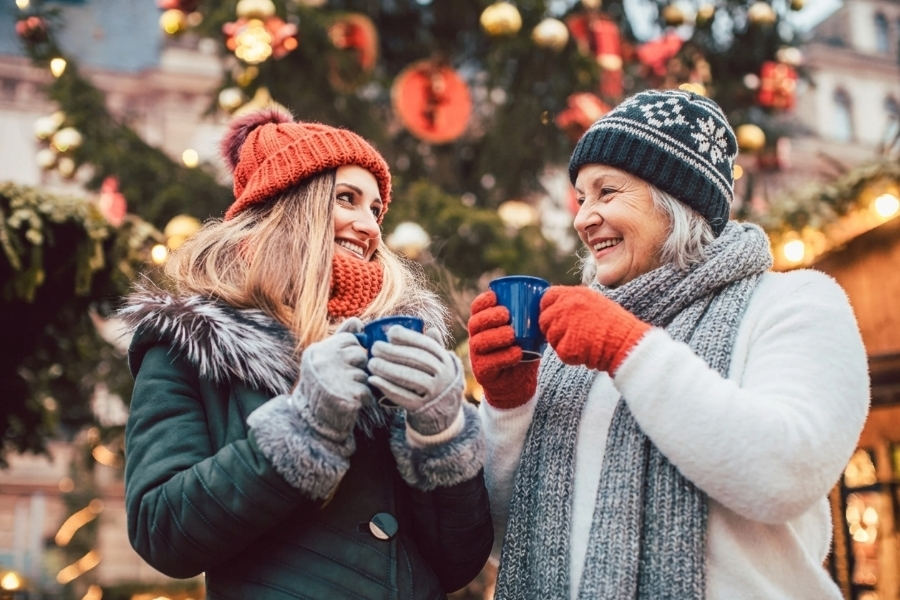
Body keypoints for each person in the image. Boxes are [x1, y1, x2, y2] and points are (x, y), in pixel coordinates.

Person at [467, 89, 869, 600]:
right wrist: (508, 405)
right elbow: (508, 536)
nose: (583, 218)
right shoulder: (571, 344)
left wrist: (628, 348)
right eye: (582, 198)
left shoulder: (794, 303)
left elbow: (785, 471)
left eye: (607, 192)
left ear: (677, 198)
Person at [120, 107, 492, 600]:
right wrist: (302, 428)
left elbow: (458, 561)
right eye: (347, 199)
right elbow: (161, 531)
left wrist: (441, 431)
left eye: (376, 209)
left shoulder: (401, 343)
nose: (370, 226)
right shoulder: (193, 344)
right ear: (289, 206)